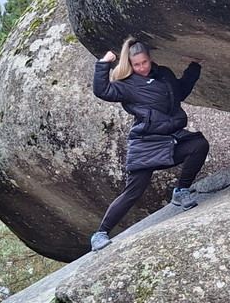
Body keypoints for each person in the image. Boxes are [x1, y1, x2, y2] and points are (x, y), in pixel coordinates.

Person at [89, 36, 209, 252]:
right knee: (134, 191)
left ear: (150, 59)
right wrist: (104, 63)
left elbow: (180, 91)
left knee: (199, 145)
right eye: (136, 64)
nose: (142, 67)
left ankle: (181, 191)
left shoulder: (164, 74)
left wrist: (194, 67)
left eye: (144, 62)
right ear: (130, 65)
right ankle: (100, 233)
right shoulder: (127, 86)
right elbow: (102, 91)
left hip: (170, 138)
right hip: (146, 143)